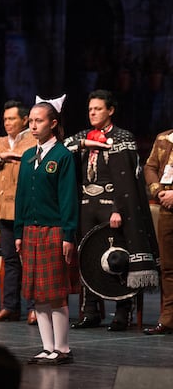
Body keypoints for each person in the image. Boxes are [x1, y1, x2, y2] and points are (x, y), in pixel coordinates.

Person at [65, 89, 160, 331]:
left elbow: (127, 178)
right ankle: (90, 312)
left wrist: (119, 209)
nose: (93, 113)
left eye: (97, 109)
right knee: (88, 256)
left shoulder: (122, 137)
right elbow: (65, 146)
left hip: (112, 204)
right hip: (87, 204)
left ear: (110, 110)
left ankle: (122, 312)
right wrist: (86, 143)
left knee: (118, 257)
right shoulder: (84, 135)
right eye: (90, 109)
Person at [14, 96, 78, 365]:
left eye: (38, 121)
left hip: (53, 230)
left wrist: (68, 234)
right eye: (30, 121)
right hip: (31, 231)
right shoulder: (29, 156)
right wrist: (19, 231)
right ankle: (47, 346)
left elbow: (68, 198)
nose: (33, 125)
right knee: (36, 292)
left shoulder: (62, 156)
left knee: (54, 291)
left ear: (53, 123)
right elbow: (21, 197)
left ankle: (62, 348)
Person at [0, 100, 38, 324]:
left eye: (12, 119)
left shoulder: (32, 140)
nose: (8, 123)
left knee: (29, 260)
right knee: (10, 260)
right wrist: (1, 157)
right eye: (5, 119)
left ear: (24, 120)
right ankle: (10, 307)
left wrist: (15, 156)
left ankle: (34, 307)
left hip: (26, 209)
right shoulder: (1, 143)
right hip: (3, 210)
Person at [143, 128, 173, 335]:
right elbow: (150, 166)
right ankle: (168, 319)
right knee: (169, 268)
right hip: (167, 209)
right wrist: (159, 191)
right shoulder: (164, 137)